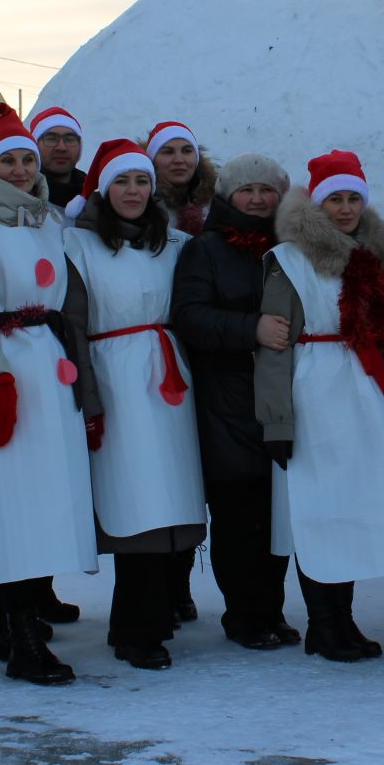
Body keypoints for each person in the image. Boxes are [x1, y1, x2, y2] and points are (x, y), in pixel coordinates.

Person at [0, 105, 101, 685]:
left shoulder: (49, 220)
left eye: (25, 160)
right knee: (10, 505)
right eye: (6, 159)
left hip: (49, 369)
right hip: (5, 371)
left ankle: (0, 625)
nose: (17, 169)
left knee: (46, 501)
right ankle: (24, 641)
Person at [256, 150, 384, 661]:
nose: (346, 208)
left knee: (350, 510)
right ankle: (322, 625)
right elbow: (273, 348)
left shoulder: (373, 256)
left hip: (364, 398)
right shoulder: (288, 260)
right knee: (317, 512)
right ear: (317, 203)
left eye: (354, 198)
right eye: (336, 199)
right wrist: (277, 420)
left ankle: (344, 620)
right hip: (313, 396)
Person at [64, 140, 208, 669]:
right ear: (104, 188)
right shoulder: (77, 247)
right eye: (123, 182)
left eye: (141, 182)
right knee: (135, 502)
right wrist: (89, 396)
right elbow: (74, 324)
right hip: (117, 379)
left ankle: (158, 612)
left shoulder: (171, 245)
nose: (133, 191)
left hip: (169, 377)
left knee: (170, 499)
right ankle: (134, 629)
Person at [171, 153, 300, 650]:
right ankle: (244, 615)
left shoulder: (291, 248)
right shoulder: (205, 250)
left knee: (275, 517)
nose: (258, 198)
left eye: (268, 190)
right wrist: (251, 329)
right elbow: (190, 315)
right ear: (228, 196)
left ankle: (271, 609)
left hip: (280, 401)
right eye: (247, 190)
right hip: (226, 401)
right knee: (238, 516)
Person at [145, 119, 217, 622]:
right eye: (166, 151)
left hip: (207, 352)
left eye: (185, 150)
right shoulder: (135, 206)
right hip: (154, 348)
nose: (177, 159)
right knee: (162, 472)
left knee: (194, 472)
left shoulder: (217, 208)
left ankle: (182, 581)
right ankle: (161, 584)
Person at [29, 106, 88, 211]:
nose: (61, 147)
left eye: (70, 139)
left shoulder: (99, 203)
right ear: (35, 146)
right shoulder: (17, 201)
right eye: (51, 139)